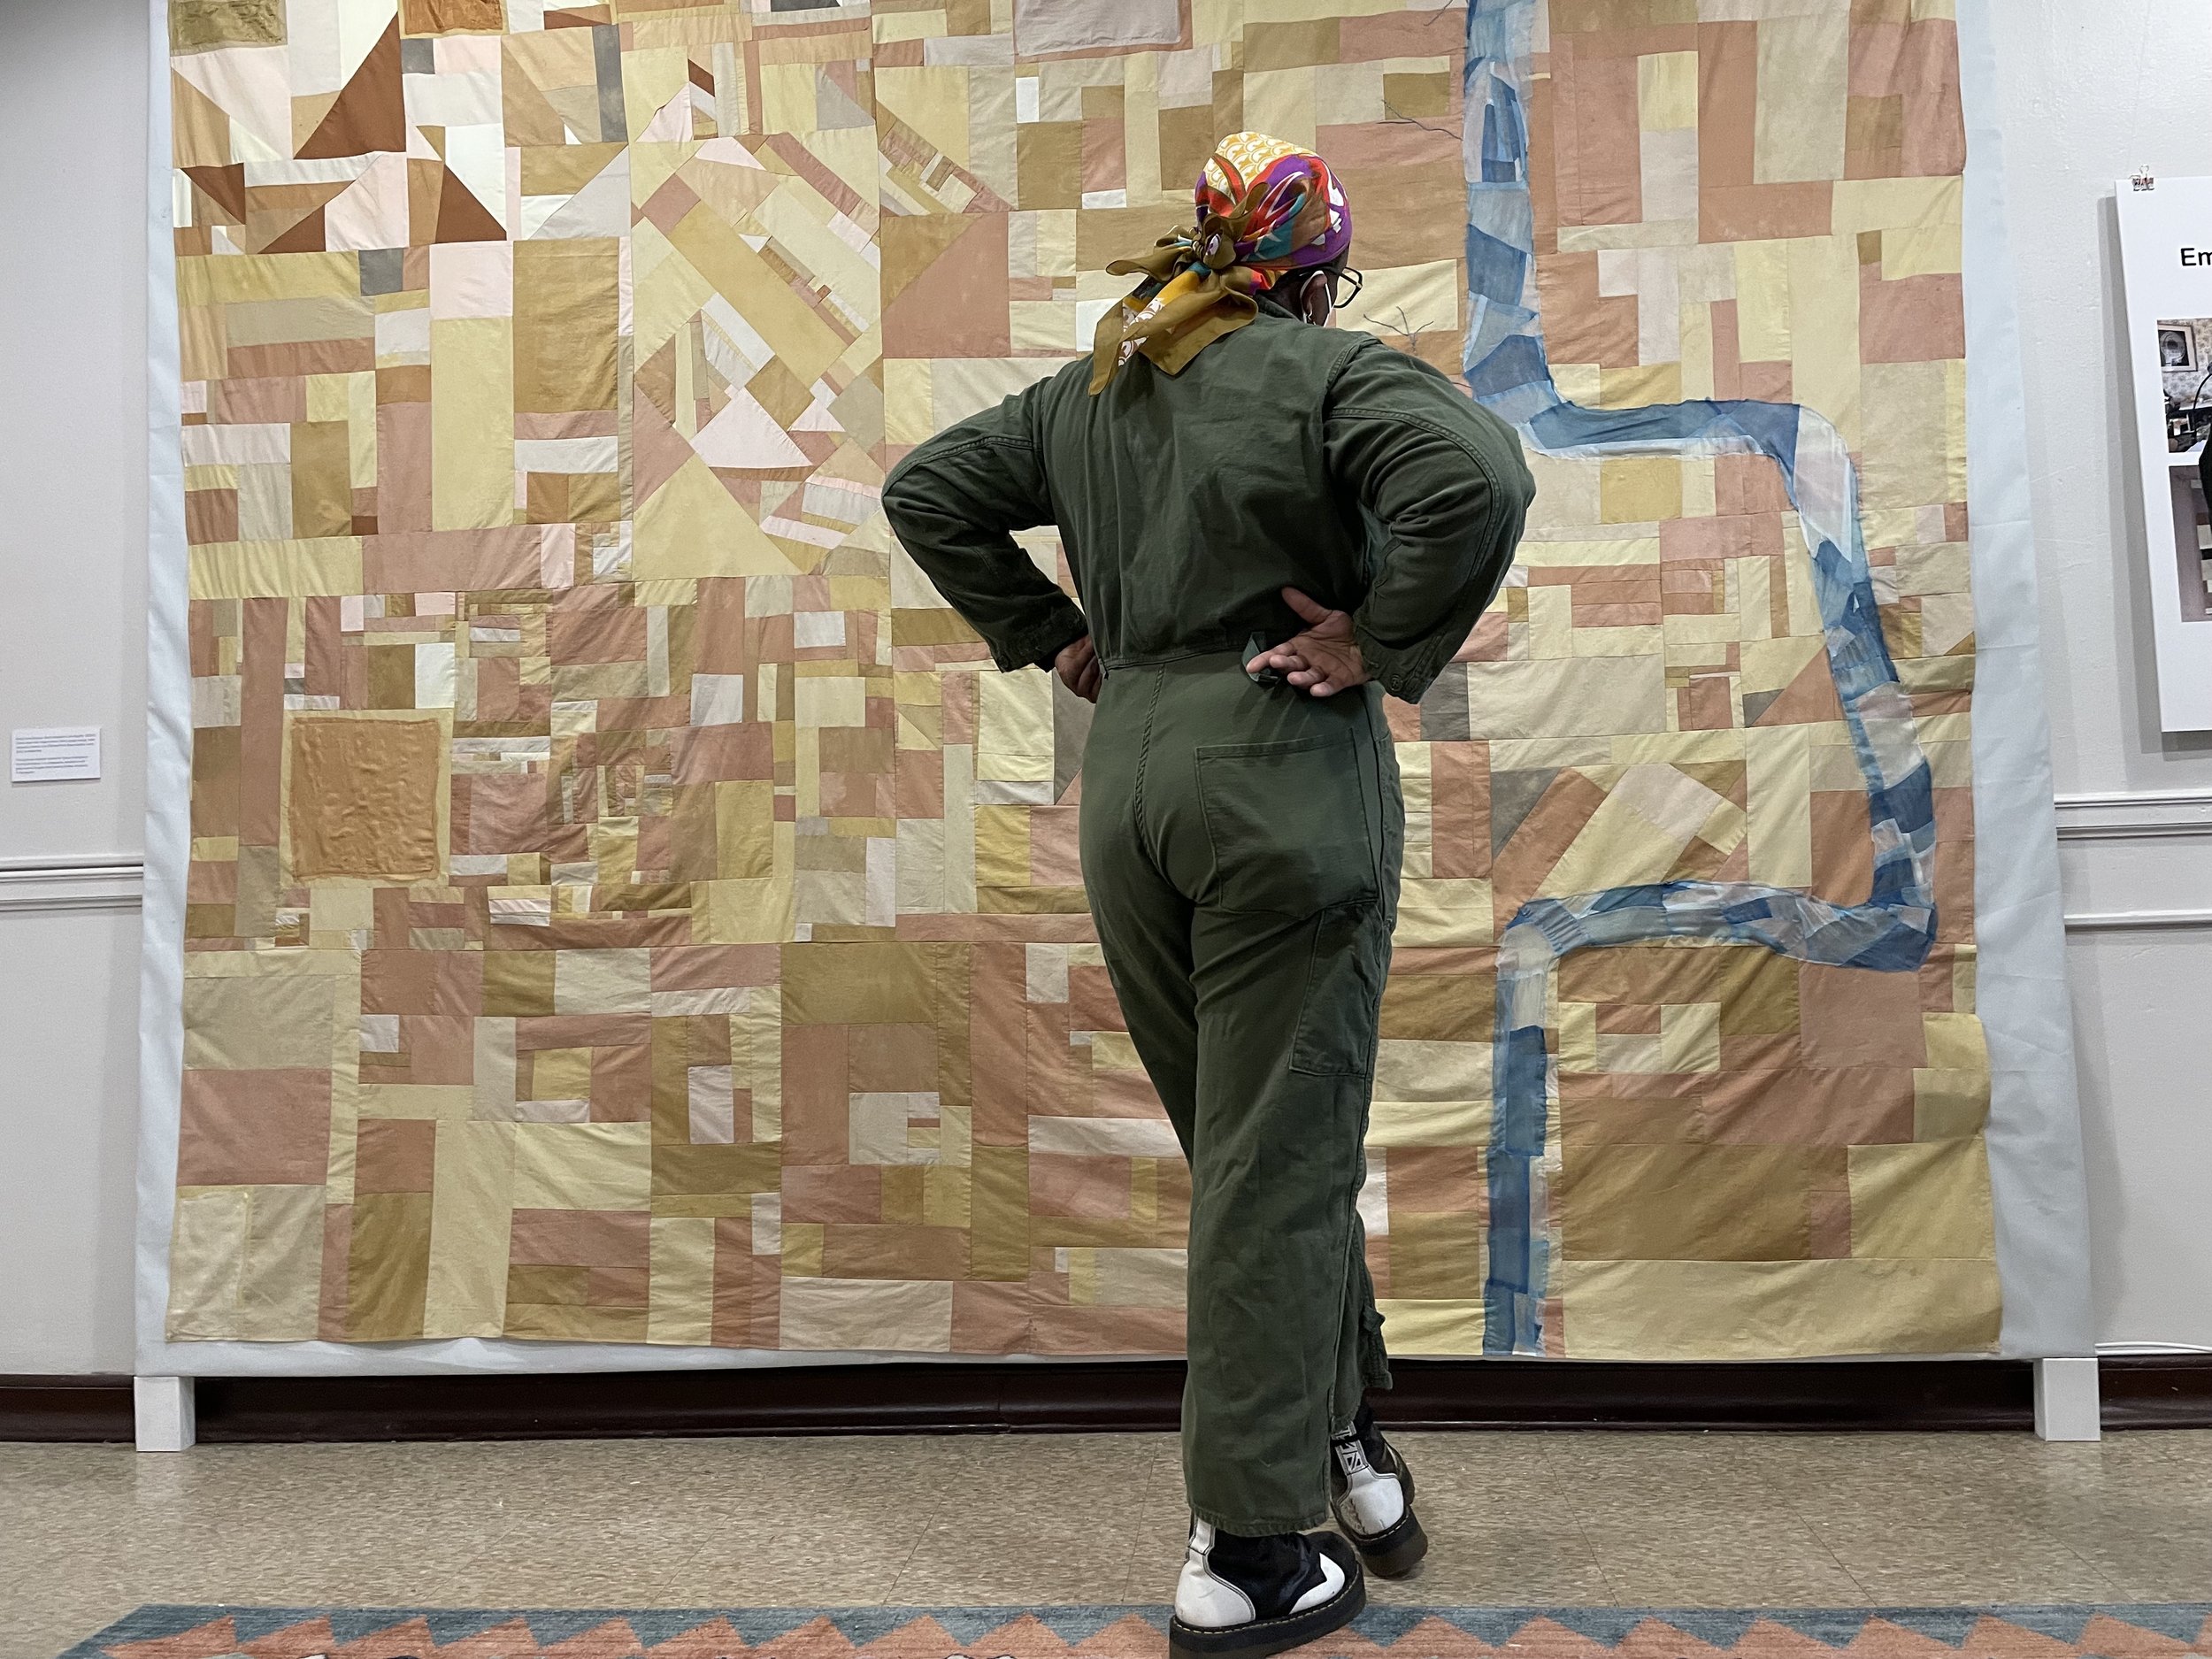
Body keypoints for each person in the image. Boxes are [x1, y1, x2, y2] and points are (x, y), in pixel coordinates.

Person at [881, 131, 1533, 1659]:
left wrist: (1056, 634)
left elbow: (927, 490)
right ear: (1314, 274)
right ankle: (1248, 1550)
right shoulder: (1328, 375)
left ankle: (1343, 1447)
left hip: (1135, 788)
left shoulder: (1095, 385)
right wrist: (1377, 638)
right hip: (1277, 776)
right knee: (1275, 1158)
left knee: (1251, 1151)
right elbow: (1480, 473)